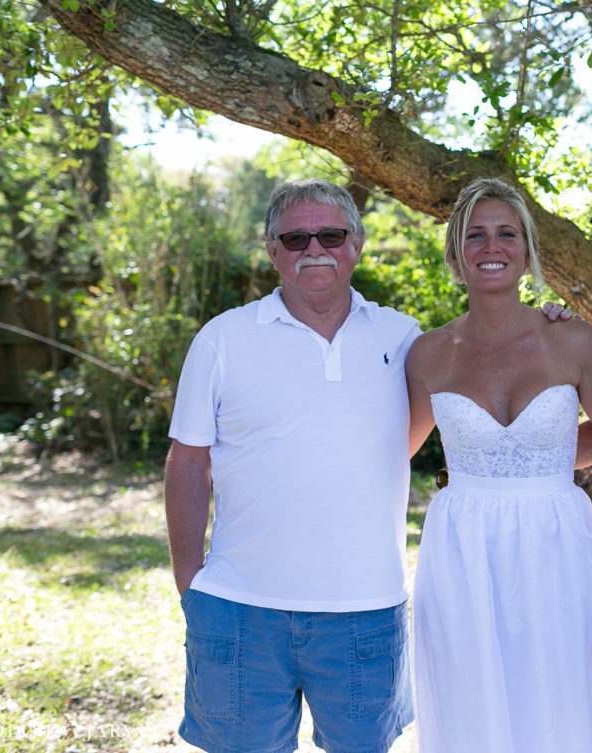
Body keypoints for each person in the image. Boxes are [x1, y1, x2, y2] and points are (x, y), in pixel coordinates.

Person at [164, 179, 421, 753]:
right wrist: (190, 584)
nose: (314, 249)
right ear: (272, 250)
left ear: (356, 243)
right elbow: (187, 462)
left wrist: (548, 318)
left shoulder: (403, 337)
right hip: (239, 609)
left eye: (330, 234)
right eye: (296, 237)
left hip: (365, 609)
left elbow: (478, 372)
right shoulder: (222, 339)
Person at [405, 178, 592, 753]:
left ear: (526, 251)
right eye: (474, 235)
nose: (490, 246)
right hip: (460, 546)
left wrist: (538, 464)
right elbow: (391, 451)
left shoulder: (574, 340)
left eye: (506, 233)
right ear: (454, 253)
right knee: (466, 695)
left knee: (553, 694)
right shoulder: (426, 353)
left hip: (556, 540)